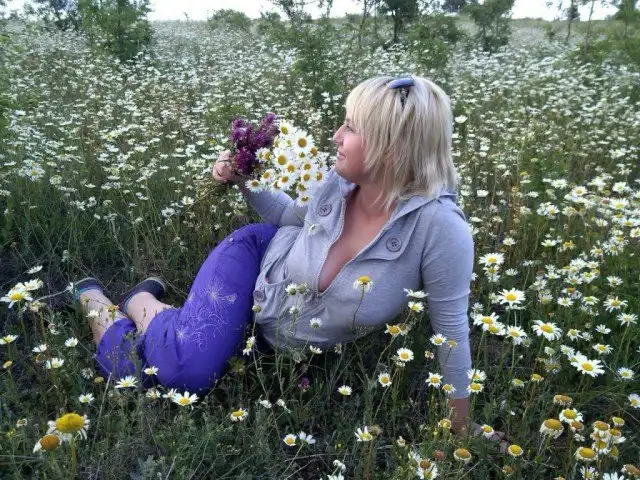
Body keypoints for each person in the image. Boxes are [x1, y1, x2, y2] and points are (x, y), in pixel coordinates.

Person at [76, 75, 503, 445]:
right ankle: (105, 301)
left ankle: (144, 305)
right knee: (186, 376)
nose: (336, 135)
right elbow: (287, 218)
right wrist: (242, 179)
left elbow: (451, 333)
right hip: (254, 264)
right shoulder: (338, 183)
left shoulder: (440, 230)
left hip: (278, 342)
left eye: (351, 127)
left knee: (147, 370)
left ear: (392, 145)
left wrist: (460, 429)